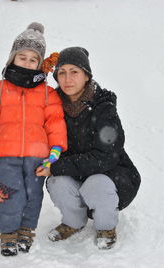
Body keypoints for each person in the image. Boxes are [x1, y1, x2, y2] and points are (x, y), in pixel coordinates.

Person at [0, 22, 67, 257]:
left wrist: (55, 149)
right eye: (21, 56)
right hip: (5, 154)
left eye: (33, 59)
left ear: (40, 63)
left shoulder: (47, 93)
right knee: (13, 193)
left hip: (37, 155)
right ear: (12, 58)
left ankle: (26, 230)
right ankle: (7, 234)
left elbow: (54, 121)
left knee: (34, 194)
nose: (26, 62)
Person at [36, 47, 141, 250]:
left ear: (86, 76)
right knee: (57, 181)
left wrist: (57, 166)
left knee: (96, 183)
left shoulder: (104, 107)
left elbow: (105, 158)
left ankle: (105, 227)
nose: (67, 79)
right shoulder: (52, 107)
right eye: (62, 72)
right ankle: (73, 222)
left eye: (74, 72)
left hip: (113, 176)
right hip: (77, 174)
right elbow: (35, 140)